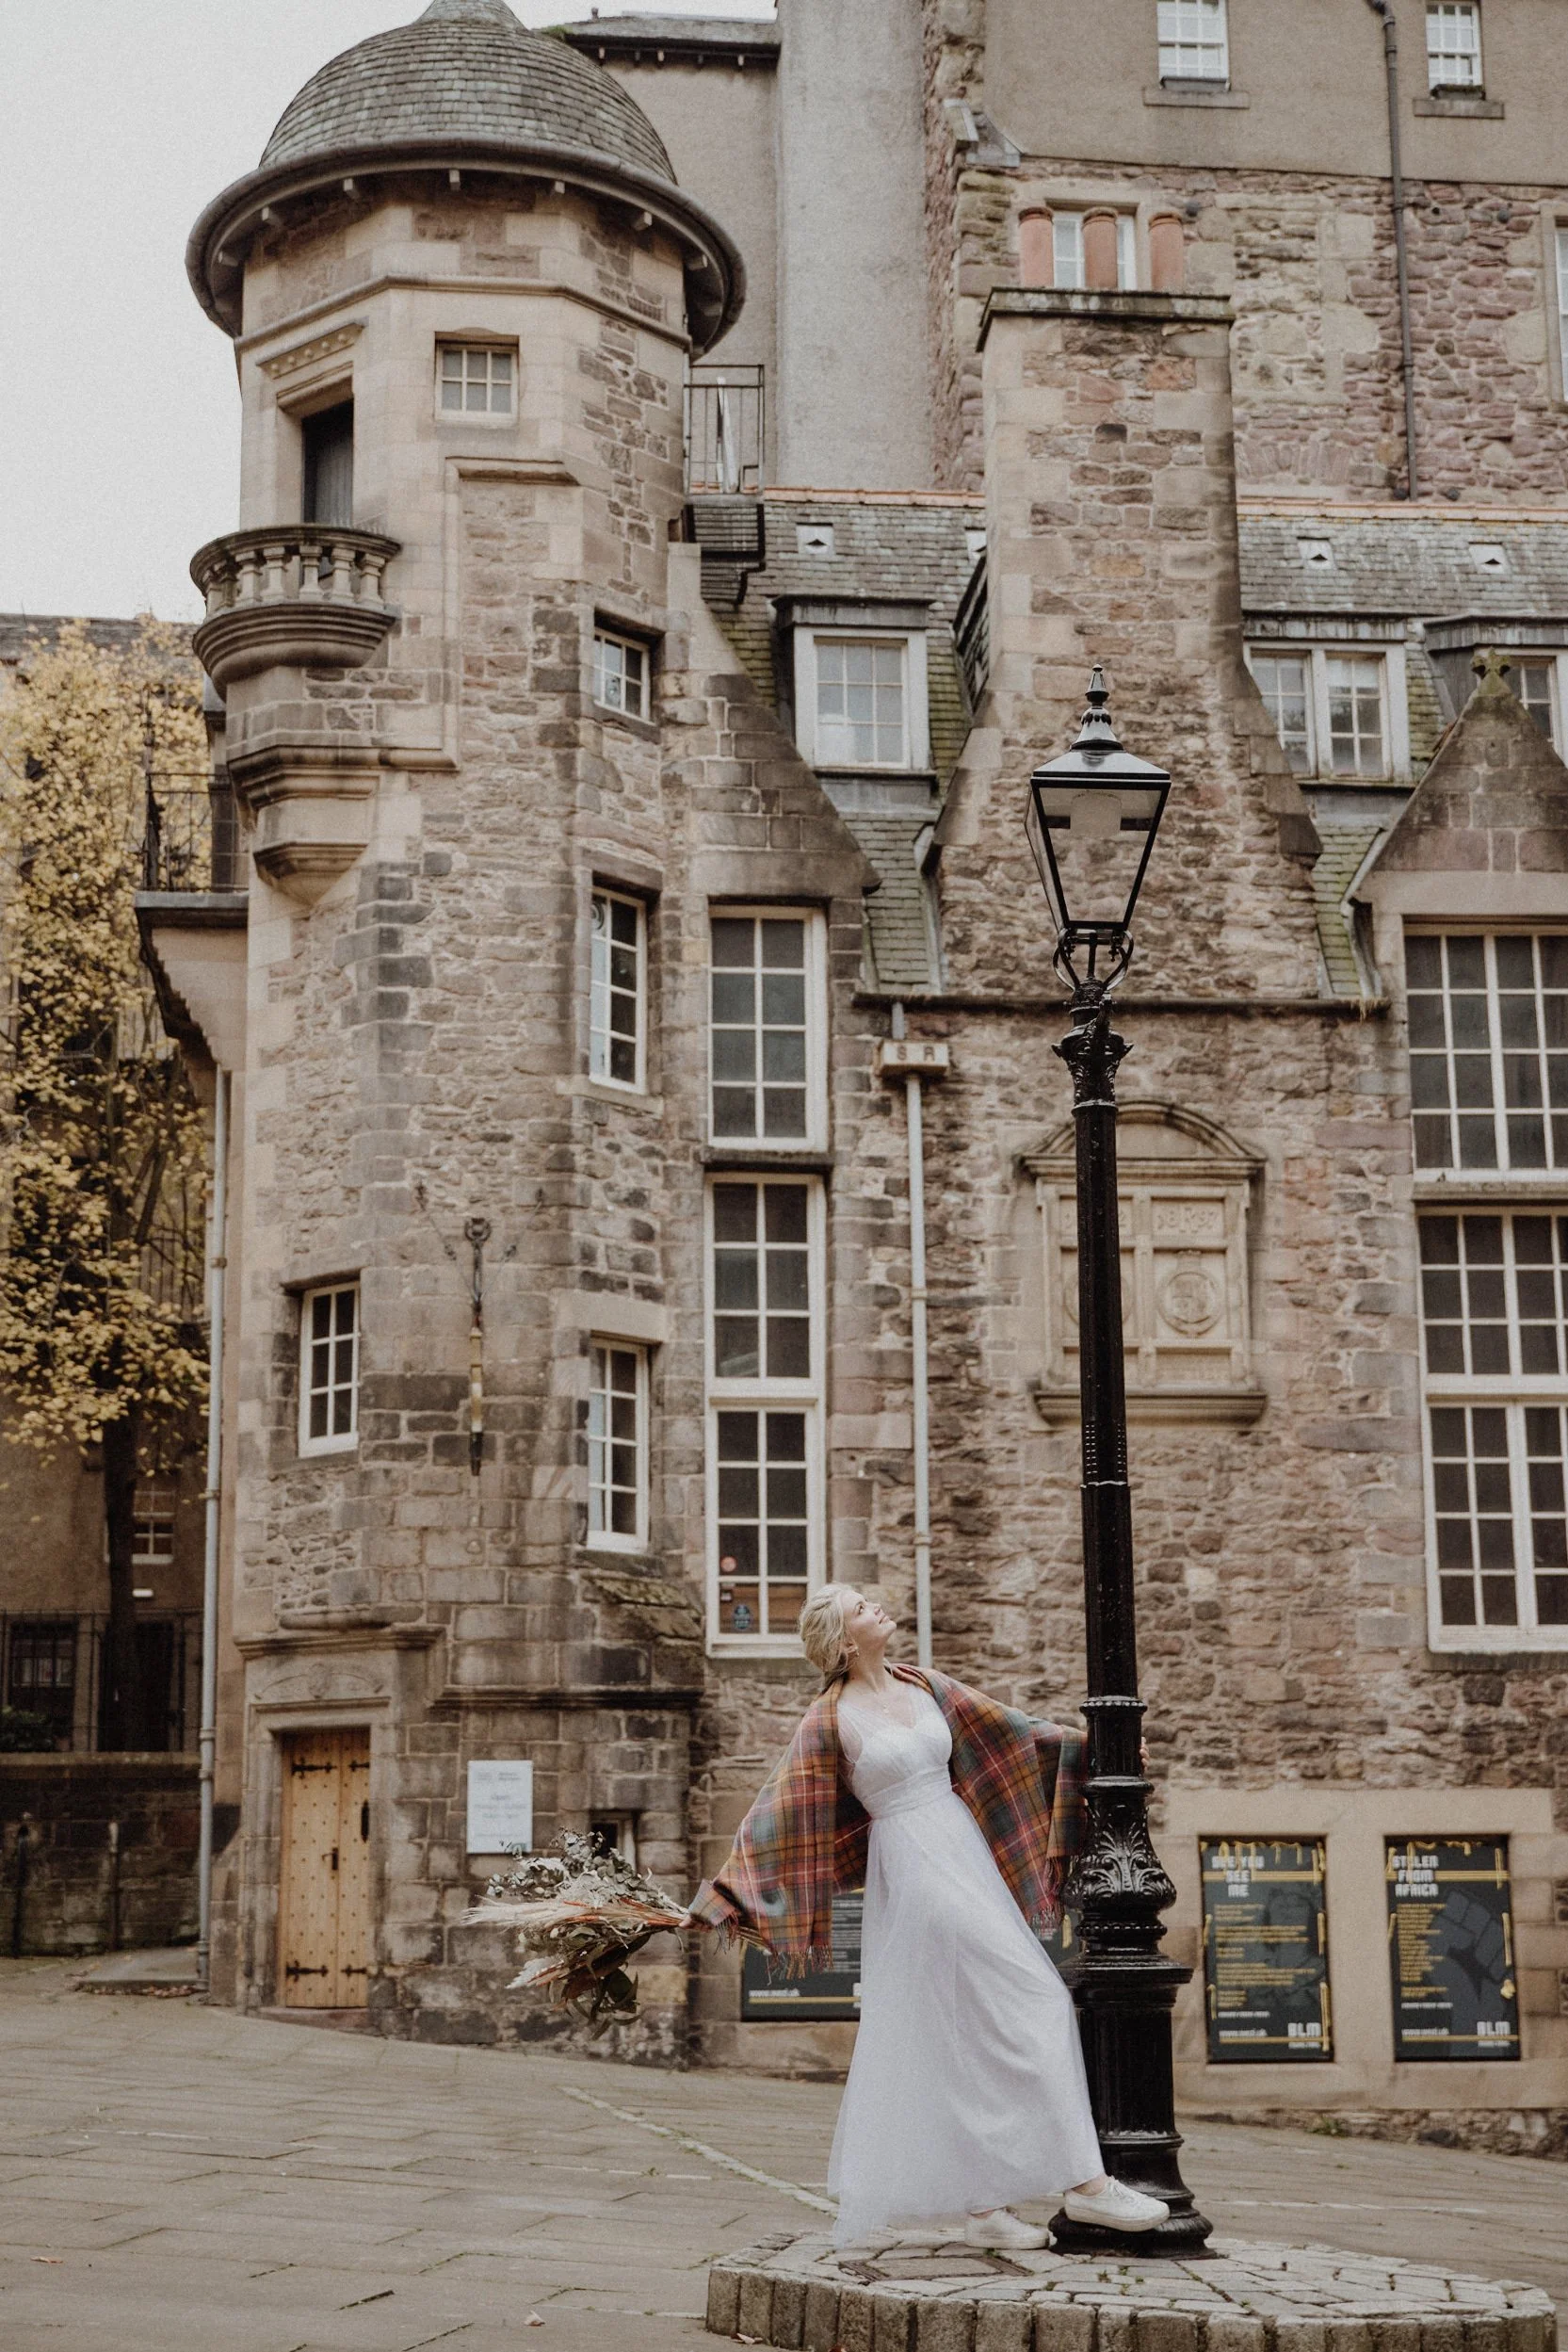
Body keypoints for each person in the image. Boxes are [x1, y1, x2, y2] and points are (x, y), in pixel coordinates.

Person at [684, 1584, 1168, 2250]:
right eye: (860, 1606)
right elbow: (775, 1816)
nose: (876, 1605)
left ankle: (983, 2208)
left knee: (962, 2031)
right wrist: (720, 1899)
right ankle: (1086, 2185)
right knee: (1038, 2000)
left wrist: (1104, 1757)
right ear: (843, 1639)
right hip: (914, 1873)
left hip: (964, 1854)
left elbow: (1022, 1736)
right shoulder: (828, 1721)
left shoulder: (926, 1685)